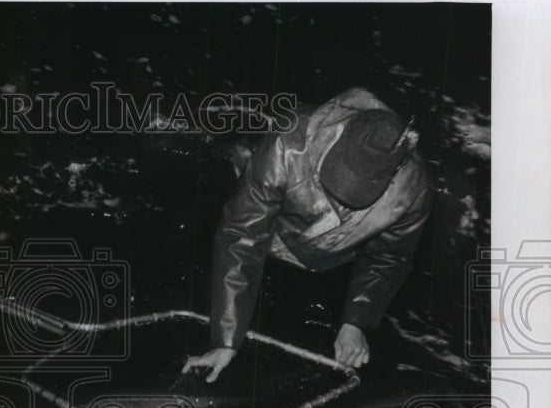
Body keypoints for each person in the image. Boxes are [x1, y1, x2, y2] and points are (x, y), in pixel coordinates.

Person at [184, 87, 433, 382]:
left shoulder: (414, 189)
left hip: (324, 259)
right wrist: (225, 341)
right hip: (264, 218)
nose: (341, 200)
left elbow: (388, 258)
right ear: (339, 137)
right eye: (340, 178)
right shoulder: (288, 140)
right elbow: (242, 235)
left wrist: (356, 321)